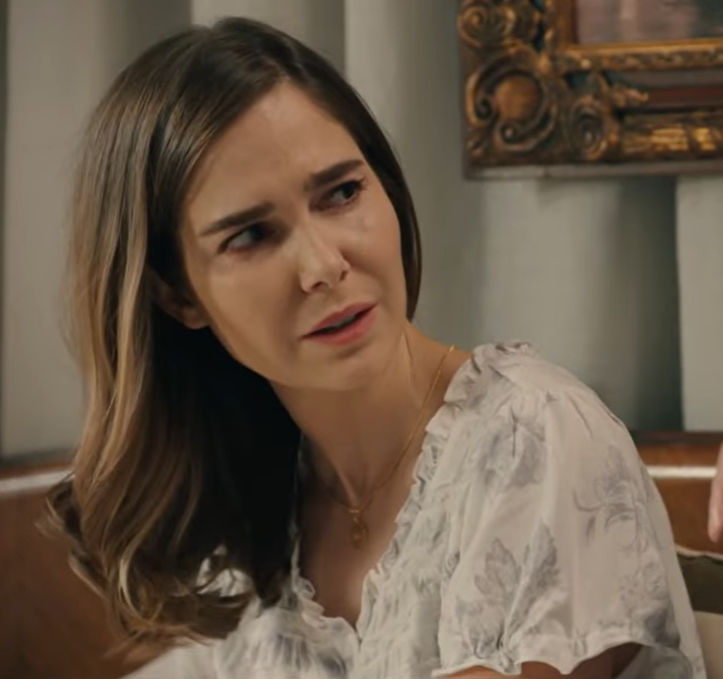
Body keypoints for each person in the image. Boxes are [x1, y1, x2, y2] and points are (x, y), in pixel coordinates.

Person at [46, 17, 704, 679]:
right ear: (177, 296)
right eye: (251, 235)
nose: (324, 265)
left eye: (341, 192)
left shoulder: (534, 435)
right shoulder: (248, 506)